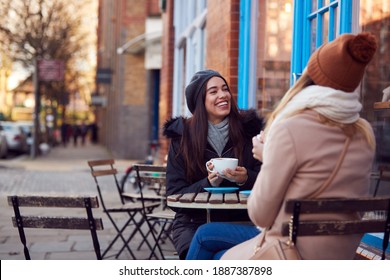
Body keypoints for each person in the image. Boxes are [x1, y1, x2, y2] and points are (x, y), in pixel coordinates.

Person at [186, 32, 377, 260]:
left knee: (214, 252)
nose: (222, 95)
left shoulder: (291, 128)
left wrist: (269, 157)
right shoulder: (364, 133)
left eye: (224, 88)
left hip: (292, 253)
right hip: (339, 253)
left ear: (310, 77)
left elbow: (260, 216)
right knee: (208, 239)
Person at [163, 69, 263, 259]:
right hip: (194, 222)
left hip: (242, 221)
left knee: (220, 258)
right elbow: (174, 195)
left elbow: (269, 180)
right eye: (214, 91)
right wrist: (208, 184)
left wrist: (246, 178)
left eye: (225, 89)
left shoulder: (249, 131)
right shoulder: (182, 137)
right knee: (217, 256)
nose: (223, 95)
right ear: (200, 100)